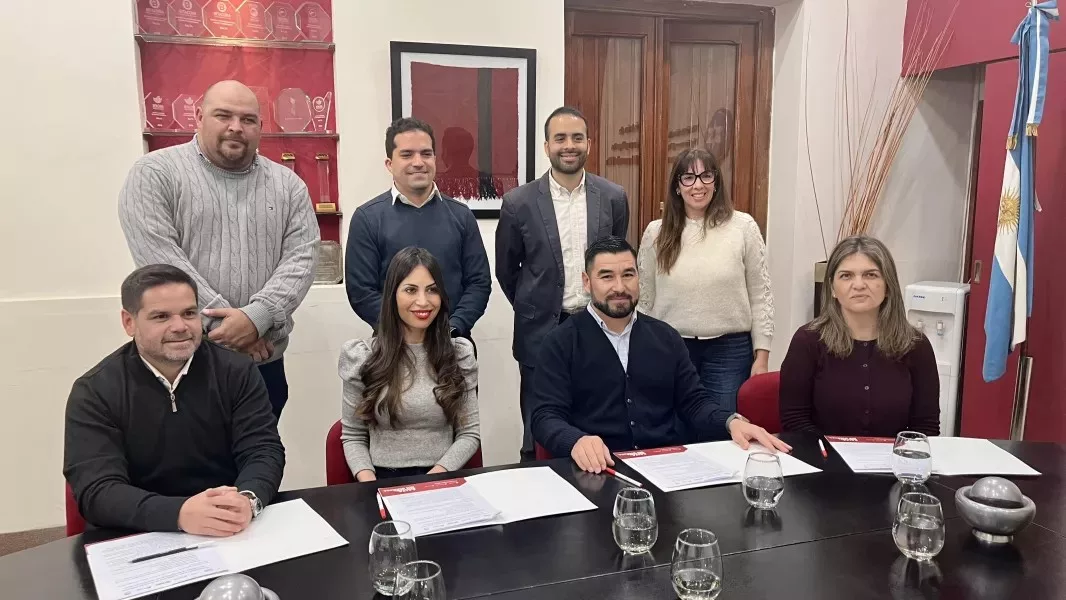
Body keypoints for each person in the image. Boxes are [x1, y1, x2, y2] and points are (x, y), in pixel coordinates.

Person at [119, 80, 320, 420]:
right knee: (179, 453)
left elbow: (302, 258)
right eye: (223, 115)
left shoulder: (288, 186)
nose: (236, 127)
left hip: (263, 364)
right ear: (198, 117)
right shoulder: (154, 174)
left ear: (260, 126)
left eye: (248, 119)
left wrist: (256, 318)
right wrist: (231, 330)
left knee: (261, 451)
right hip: (180, 362)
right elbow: (161, 261)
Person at [531, 237, 789, 473]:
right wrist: (575, 441)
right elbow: (545, 416)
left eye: (628, 275)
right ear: (587, 282)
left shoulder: (665, 337)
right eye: (607, 277)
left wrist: (731, 422)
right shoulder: (561, 342)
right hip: (597, 470)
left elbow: (694, 402)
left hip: (666, 468)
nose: (619, 287)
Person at [63, 265, 285, 534]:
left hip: (229, 527)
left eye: (189, 313)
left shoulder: (237, 371)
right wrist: (178, 514)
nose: (180, 327)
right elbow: (97, 489)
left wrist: (248, 499)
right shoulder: (95, 391)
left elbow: (263, 450)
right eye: (161, 316)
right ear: (129, 322)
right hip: (138, 532)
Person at [496, 106, 629, 460]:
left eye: (576, 138)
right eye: (560, 138)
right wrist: (534, 304)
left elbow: (615, 259)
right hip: (540, 330)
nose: (569, 145)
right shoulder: (518, 203)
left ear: (589, 143)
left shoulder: (613, 197)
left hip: (599, 325)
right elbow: (507, 270)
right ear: (547, 146)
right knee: (537, 424)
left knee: (598, 415)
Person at [637, 148, 774, 417]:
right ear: (677, 187)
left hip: (729, 352)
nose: (698, 185)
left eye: (705, 176)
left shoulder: (743, 227)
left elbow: (761, 295)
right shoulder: (656, 232)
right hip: (670, 348)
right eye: (688, 177)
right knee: (672, 427)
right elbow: (645, 299)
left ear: (716, 182)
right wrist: (640, 351)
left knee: (720, 427)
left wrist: (762, 357)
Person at [339, 247, 480, 480]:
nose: (423, 301)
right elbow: (353, 436)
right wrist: (370, 486)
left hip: (442, 477)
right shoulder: (362, 355)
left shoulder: (459, 354)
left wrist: (431, 482)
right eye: (410, 290)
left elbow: (469, 433)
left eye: (432, 290)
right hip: (382, 479)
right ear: (392, 296)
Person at [345, 117, 491, 340]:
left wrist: (454, 326)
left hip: (452, 342)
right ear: (389, 164)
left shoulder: (461, 216)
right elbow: (361, 291)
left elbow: (478, 283)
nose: (418, 162)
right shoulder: (367, 218)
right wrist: (406, 332)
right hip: (392, 346)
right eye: (407, 155)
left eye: (426, 154)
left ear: (435, 159)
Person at [779, 235, 940, 437]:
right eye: (846, 276)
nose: (859, 285)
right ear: (832, 288)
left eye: (870, 275)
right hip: (823, 454)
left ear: (888, 286)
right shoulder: (807, 341)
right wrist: (831, 453)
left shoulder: (916, 345)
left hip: (894, 456)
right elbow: (794, 420)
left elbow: (926, 427)